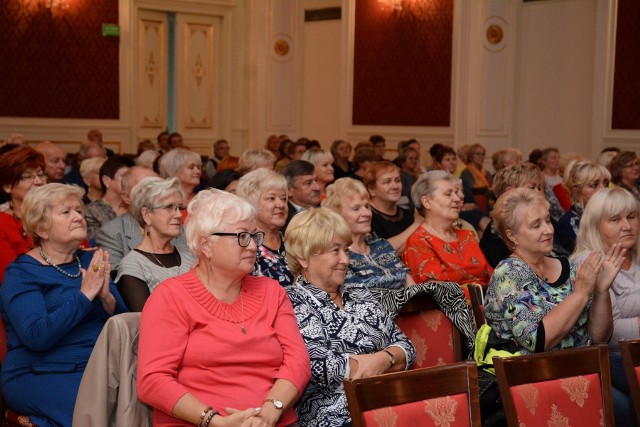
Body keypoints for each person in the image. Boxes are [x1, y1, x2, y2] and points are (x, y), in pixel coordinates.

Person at [137, 188, 311, 427]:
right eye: (242, 237)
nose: (253, 247)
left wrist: (271, 411)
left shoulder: (272, 291)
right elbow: (153, 381)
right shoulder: (171, 297)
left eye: (254, 236)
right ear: (206, 245)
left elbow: (298, 361)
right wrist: (214, 421)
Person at [486, 187, 632, 425]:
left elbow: (599, 336)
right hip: (538, 374)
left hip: (582, 363)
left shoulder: (568, 267)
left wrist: (602, 290)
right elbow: (538, 340)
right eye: (536, 225)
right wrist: (582, 292)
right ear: (512, 235)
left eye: (547, 220)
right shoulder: (508, 274)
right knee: (625, 409)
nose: (548, 230)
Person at [0, 183, 127, 427]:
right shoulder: (22, 273)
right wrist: (84, 295)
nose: (79, 217)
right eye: (66, 212)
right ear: (41, 228)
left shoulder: (91, 260)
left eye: (79, 210)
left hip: (100, 366)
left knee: (146, 404)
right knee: (97, 414)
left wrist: (106, 298)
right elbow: (37, 336)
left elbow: (123, 324)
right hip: (42, 372)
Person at [284, 208, 415, 427]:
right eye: (335, 251)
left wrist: (381, 360)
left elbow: (407, 347)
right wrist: (389, 358)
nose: (345, 260)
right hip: (334, 413)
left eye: (346, 249)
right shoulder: (291, 301)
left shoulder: (359, 292)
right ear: (303, 258)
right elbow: (321, 367)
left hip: (392, 399)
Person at [402, 170, 493, 299]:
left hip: (489, 306)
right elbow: (440, 295)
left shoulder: (467, 235)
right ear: (427, 202)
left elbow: (491, 277)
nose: (457, 199)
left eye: (456, 193)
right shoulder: (419, 241)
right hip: (457, 314)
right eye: (448, 194)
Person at [115, 177, 195, 311]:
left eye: (179, 207)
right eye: (169, 207)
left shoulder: (190, 256)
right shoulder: (133, 265)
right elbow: (149, 320)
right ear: (147, 215)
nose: (179, 215)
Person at [323, 178, 414, 289]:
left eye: (366, 206)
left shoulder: (382, 245)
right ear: (337, 216)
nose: (366, 213)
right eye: (356, 209)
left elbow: (412, 287)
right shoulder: (338, 256)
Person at [236, 169, 294, 287]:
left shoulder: (293, 241)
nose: (281, 204)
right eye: (271, 198)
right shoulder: (246, 248)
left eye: (283, 198)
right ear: (251, 204)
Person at [479, 163, 545, 267]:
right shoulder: (496, 236)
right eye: (532, 188)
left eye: (539, 188)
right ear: (510, 192)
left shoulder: (544, 220)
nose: (539, 193)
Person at [0, 147, 47, 283]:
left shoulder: (61, 215)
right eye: (27, 177)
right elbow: (11, 277)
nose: (38, 181)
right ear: (8, 186)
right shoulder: (2, 224)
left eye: (41, 174)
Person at [363, 161, 420, 252]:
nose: (395, 186)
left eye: (397, 180)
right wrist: (416, 224)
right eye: (387, 182)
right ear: (371, 189)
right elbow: (381, 251)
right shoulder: (365, 216)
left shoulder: (408, 214)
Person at [557, 160, 610, 254]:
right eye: (594, 185)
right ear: (576, 191)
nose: (603, 189)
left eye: (606, 184)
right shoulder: (568, 223)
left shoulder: (613, 214)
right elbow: (586, 257)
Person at [85, 155, 134, 241]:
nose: (131, 181)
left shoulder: (136, 207)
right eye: (124, 176)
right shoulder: (91, 211)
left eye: (132, 177)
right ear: (106, 180)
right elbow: (97, 242)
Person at [282, 160, 321, 230]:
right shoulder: (282, 218)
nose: (317, 187)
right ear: (289, 190)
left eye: (317, 180)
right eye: (308, 183)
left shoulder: (324, 209)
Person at [460, 143, 492, 213]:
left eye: (483, 154)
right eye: (478, 154)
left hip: (488, 206)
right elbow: (474, 191)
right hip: (472, 208)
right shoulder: (466, 173)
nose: (481, 157)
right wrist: (488, 190)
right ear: (471, 156)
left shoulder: (487, 173)